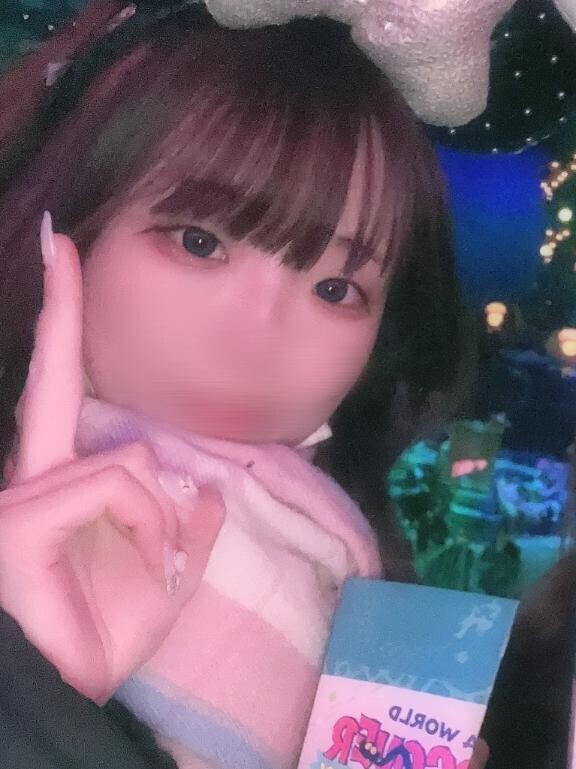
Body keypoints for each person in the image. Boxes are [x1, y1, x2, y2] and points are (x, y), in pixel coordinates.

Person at [0, 1, 462, 767]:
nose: (259, 341)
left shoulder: (331, 538)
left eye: (336, 289)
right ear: (72, 217)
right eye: (199, 240)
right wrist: (29, 687)